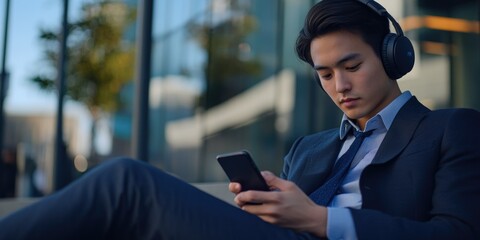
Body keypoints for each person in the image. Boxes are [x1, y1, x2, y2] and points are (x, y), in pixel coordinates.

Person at [1, 0, 479, 239]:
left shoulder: (450, 129)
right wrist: (267, 204)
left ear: (393, 57)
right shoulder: (309, 147)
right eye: (326, 74)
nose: (339, 86)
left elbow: (457, 234)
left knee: (128, 181)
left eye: (352, 67)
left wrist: (320, 219)